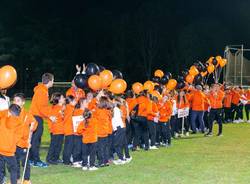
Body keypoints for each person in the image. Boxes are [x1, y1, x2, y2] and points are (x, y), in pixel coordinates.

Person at [29, 73, 56, 167]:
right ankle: (36, 160)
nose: (53, 82)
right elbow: (42, 107)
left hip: (35, 116)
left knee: (33, 140)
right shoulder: (42, 91)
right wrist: (50, 116)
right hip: (36, 117)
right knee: (36, 140)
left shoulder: (42, 90)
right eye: (53, 80)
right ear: (49, 81)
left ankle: (31, 159)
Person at [13, 93, 38, 184]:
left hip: (24, 143)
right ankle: (17, 178)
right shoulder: (11, 113)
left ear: (23, 102)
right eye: (14, 100)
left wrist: (33, 126)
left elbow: (34, 122)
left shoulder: (27, 114)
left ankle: (26, 179)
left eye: (18, 101)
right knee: (15, 162)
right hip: (13, 142)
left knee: (25, 162)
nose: (16, 102)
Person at [0, 104, 22, 184]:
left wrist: (6, 112)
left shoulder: (2, 119)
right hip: (9, 152)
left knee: (1, 169)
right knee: (13, 169)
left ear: (9, 112)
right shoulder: (19, 124)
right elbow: (18, 139)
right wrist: (26, 144)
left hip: (0, 149)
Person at [46, 93, 65, 165]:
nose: (64, 99)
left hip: (61, 130)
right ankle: (49, 158)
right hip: (56, 130)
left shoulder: (61, 107)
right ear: (59, 100)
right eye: (63, 98)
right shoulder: (55, 108)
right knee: (54, 145)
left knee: (59, 145)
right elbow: (53, 120)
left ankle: (56, 158)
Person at [63, 95, 77, 165]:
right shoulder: (71, 108)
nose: (76, 102)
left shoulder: (67, 107)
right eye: (74, 101)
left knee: (67, 145)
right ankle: (67, 161)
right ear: (70, 101)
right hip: (70, 129)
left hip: (67, 129)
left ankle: (65, 159)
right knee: (69, 146)